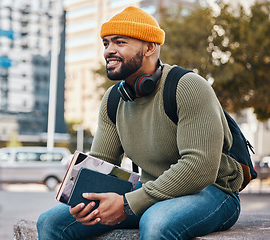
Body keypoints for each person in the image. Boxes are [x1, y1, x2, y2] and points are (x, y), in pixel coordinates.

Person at [37, 6, 243, 240]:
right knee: (51, 222)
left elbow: (199, 167)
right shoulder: (114, 98)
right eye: (106, 43)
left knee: (157, 223)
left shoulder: (188, 86)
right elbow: (103, 163)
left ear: (150, 47)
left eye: (120, 42)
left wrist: (127, 203)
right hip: (149, 190)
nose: (109, 51)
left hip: (213, 192)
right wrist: (85, 200)